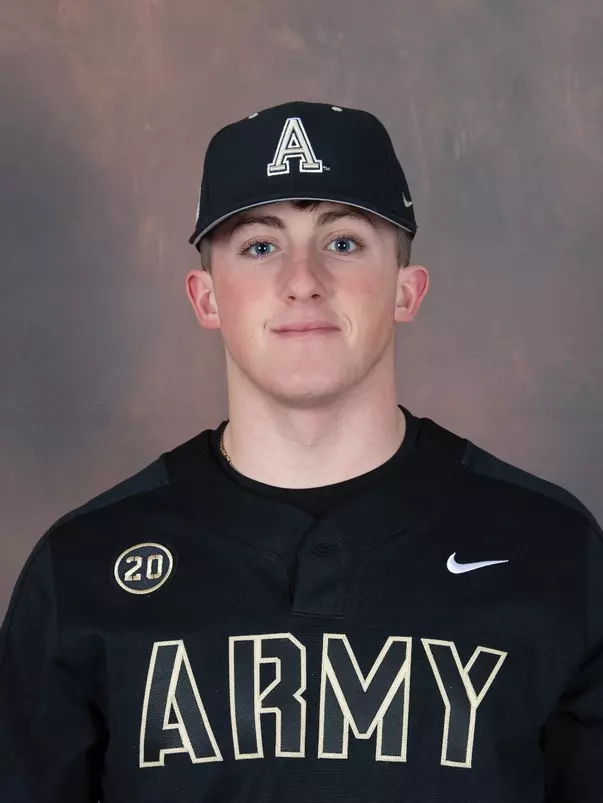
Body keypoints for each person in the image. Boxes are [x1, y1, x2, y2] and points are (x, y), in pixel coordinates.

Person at [0, 100, 601, 803]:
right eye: (260, 246)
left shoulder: (551, 548)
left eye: (342, 241)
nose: (303, 279)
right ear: (205, 297)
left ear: (407, 290)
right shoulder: (82, 568)